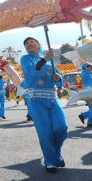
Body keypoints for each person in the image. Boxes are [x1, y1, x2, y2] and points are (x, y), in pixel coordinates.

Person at [21, 37, 66, 173]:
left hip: (52, 97)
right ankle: (50, 161)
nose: (29, 44)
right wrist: (45, 59)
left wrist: (58, 78)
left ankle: (55, 155)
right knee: (45, 131)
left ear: (38, 44)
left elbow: (58, 75)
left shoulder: (49, 58)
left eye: (32, 42)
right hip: (35, 99)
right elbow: (31, 71)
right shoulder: (25, 59)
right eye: (27, 43)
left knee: (62, 127)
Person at [78, 63, 92, 128]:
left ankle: (83, 115)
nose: (91, 68)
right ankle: (90, 122)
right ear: (85, 67)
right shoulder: (85, 73)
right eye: (89, 67)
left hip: (90, 93)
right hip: (88, 94)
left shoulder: (87, 73)